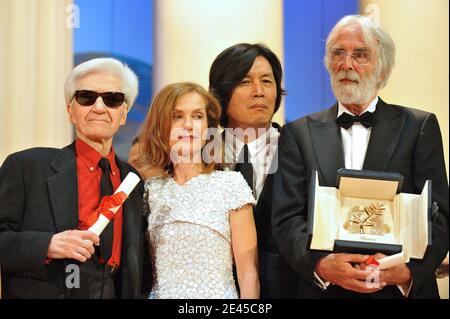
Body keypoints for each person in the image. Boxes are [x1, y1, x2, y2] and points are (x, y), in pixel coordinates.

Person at [272, 15, 449, 298]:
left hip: (396, 291)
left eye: (361, 54)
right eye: (338, 53)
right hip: (326, 291)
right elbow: (286, 218)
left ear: (382, 68)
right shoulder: (298, 134)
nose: (346, 64)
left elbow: (439, 214)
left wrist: (409, 271)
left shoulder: (419, 126)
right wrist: (320, 265)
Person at [0, 58, 151, 298]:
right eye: (86, 97)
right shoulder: (26, 167)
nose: (99, 107)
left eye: (112, 99)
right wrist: (46, 244)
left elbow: (138, 265)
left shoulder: (132, 180)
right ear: (70, 111)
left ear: (124, 114)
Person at [140, 82, 259, 299]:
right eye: (177, 116)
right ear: (161, 125)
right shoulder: (151, 190)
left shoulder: (230, 184)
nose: (188, 125)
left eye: (197, 116)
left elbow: (248, 274)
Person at [209, 43, 299, 298]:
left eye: (267, 81)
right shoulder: (200, 156)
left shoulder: (301, 150)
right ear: (221, 93)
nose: (259, 92)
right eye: (245, 82)